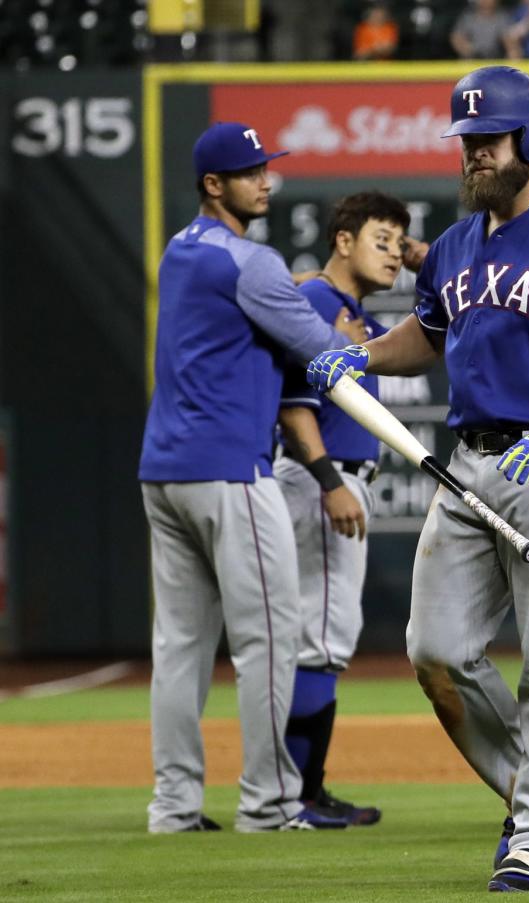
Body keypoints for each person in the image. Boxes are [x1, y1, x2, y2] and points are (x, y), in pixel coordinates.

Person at [306, 66, 529, 892]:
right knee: (435, 649)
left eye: (487, 143)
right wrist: (363, 355)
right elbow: (425, 337)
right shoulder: (456, 247)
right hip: (468, 466)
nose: (472, 159)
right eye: (465, 144)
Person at [139, 122, 364, 833]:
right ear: (214, 184)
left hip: (164, 470)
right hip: (231, 469)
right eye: (252, 171)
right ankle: (267, 803)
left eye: (267, 167)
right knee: (268, 636)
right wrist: (360, 342)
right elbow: (323, 346)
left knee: (179, 646)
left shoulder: (182, 249)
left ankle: (173, 807)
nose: (267, 180)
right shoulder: (252, 262)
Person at [276, 191, 424, 827]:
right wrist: (329, 481)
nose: (393, 252)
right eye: (381, 238)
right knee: (320, 638)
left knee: (317, 636)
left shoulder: (339, 307)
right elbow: (293, 400)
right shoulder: (317, 303)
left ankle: (299, 790)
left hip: (327, 478)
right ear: (343, 241)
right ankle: (297, 797)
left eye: (399, 241)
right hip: (322, 478)